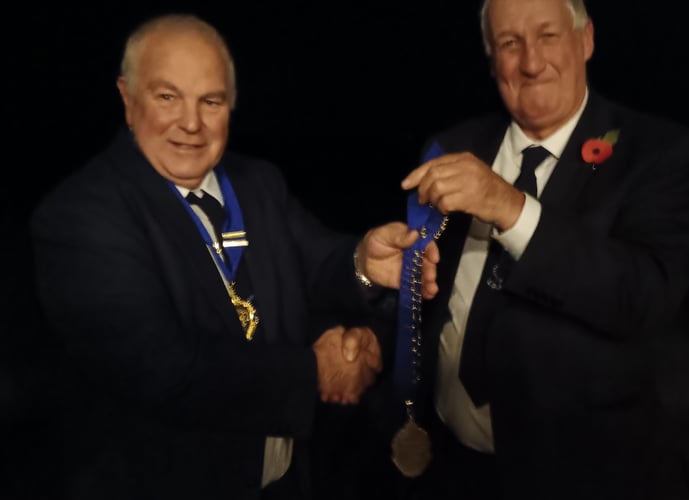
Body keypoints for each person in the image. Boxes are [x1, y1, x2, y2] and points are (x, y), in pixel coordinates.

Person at [29, 13, 438, 500]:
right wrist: (316, 371)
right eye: (167, 97)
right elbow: (164, 369)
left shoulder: (257, 183)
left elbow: (318, 265)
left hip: (283, 483)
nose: (191, 123)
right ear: (127, 98)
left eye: (211, 101)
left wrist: (364, 264)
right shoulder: (79, 215)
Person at [391, 0, 689, 499]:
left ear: (586, 40)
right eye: (510, 44)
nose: (532, 63)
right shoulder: (453, 147)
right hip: (452, 468)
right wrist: (380, 275)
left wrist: (508, 207)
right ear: (492, 58)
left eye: (548, 36)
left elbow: (643, 298)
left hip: (586, 476)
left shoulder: (658, 153)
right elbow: (419, 292)